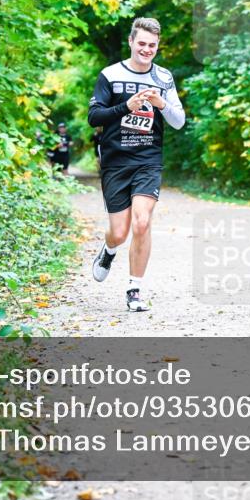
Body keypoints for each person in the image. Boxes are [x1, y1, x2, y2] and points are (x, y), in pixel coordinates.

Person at [87, 17, 185, 312]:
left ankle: (135, 289)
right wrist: (125, 107)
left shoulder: (164, 78)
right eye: (141, 43)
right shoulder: (111, 75)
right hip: (116, 161)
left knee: (142, 222)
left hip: (148, 160)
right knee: (119, 231)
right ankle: (109, 249)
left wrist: (161, 103)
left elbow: (179, 122)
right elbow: (94, 117)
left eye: (152, 45)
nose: (146, 49)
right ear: (131, 42)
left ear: (158, 46)